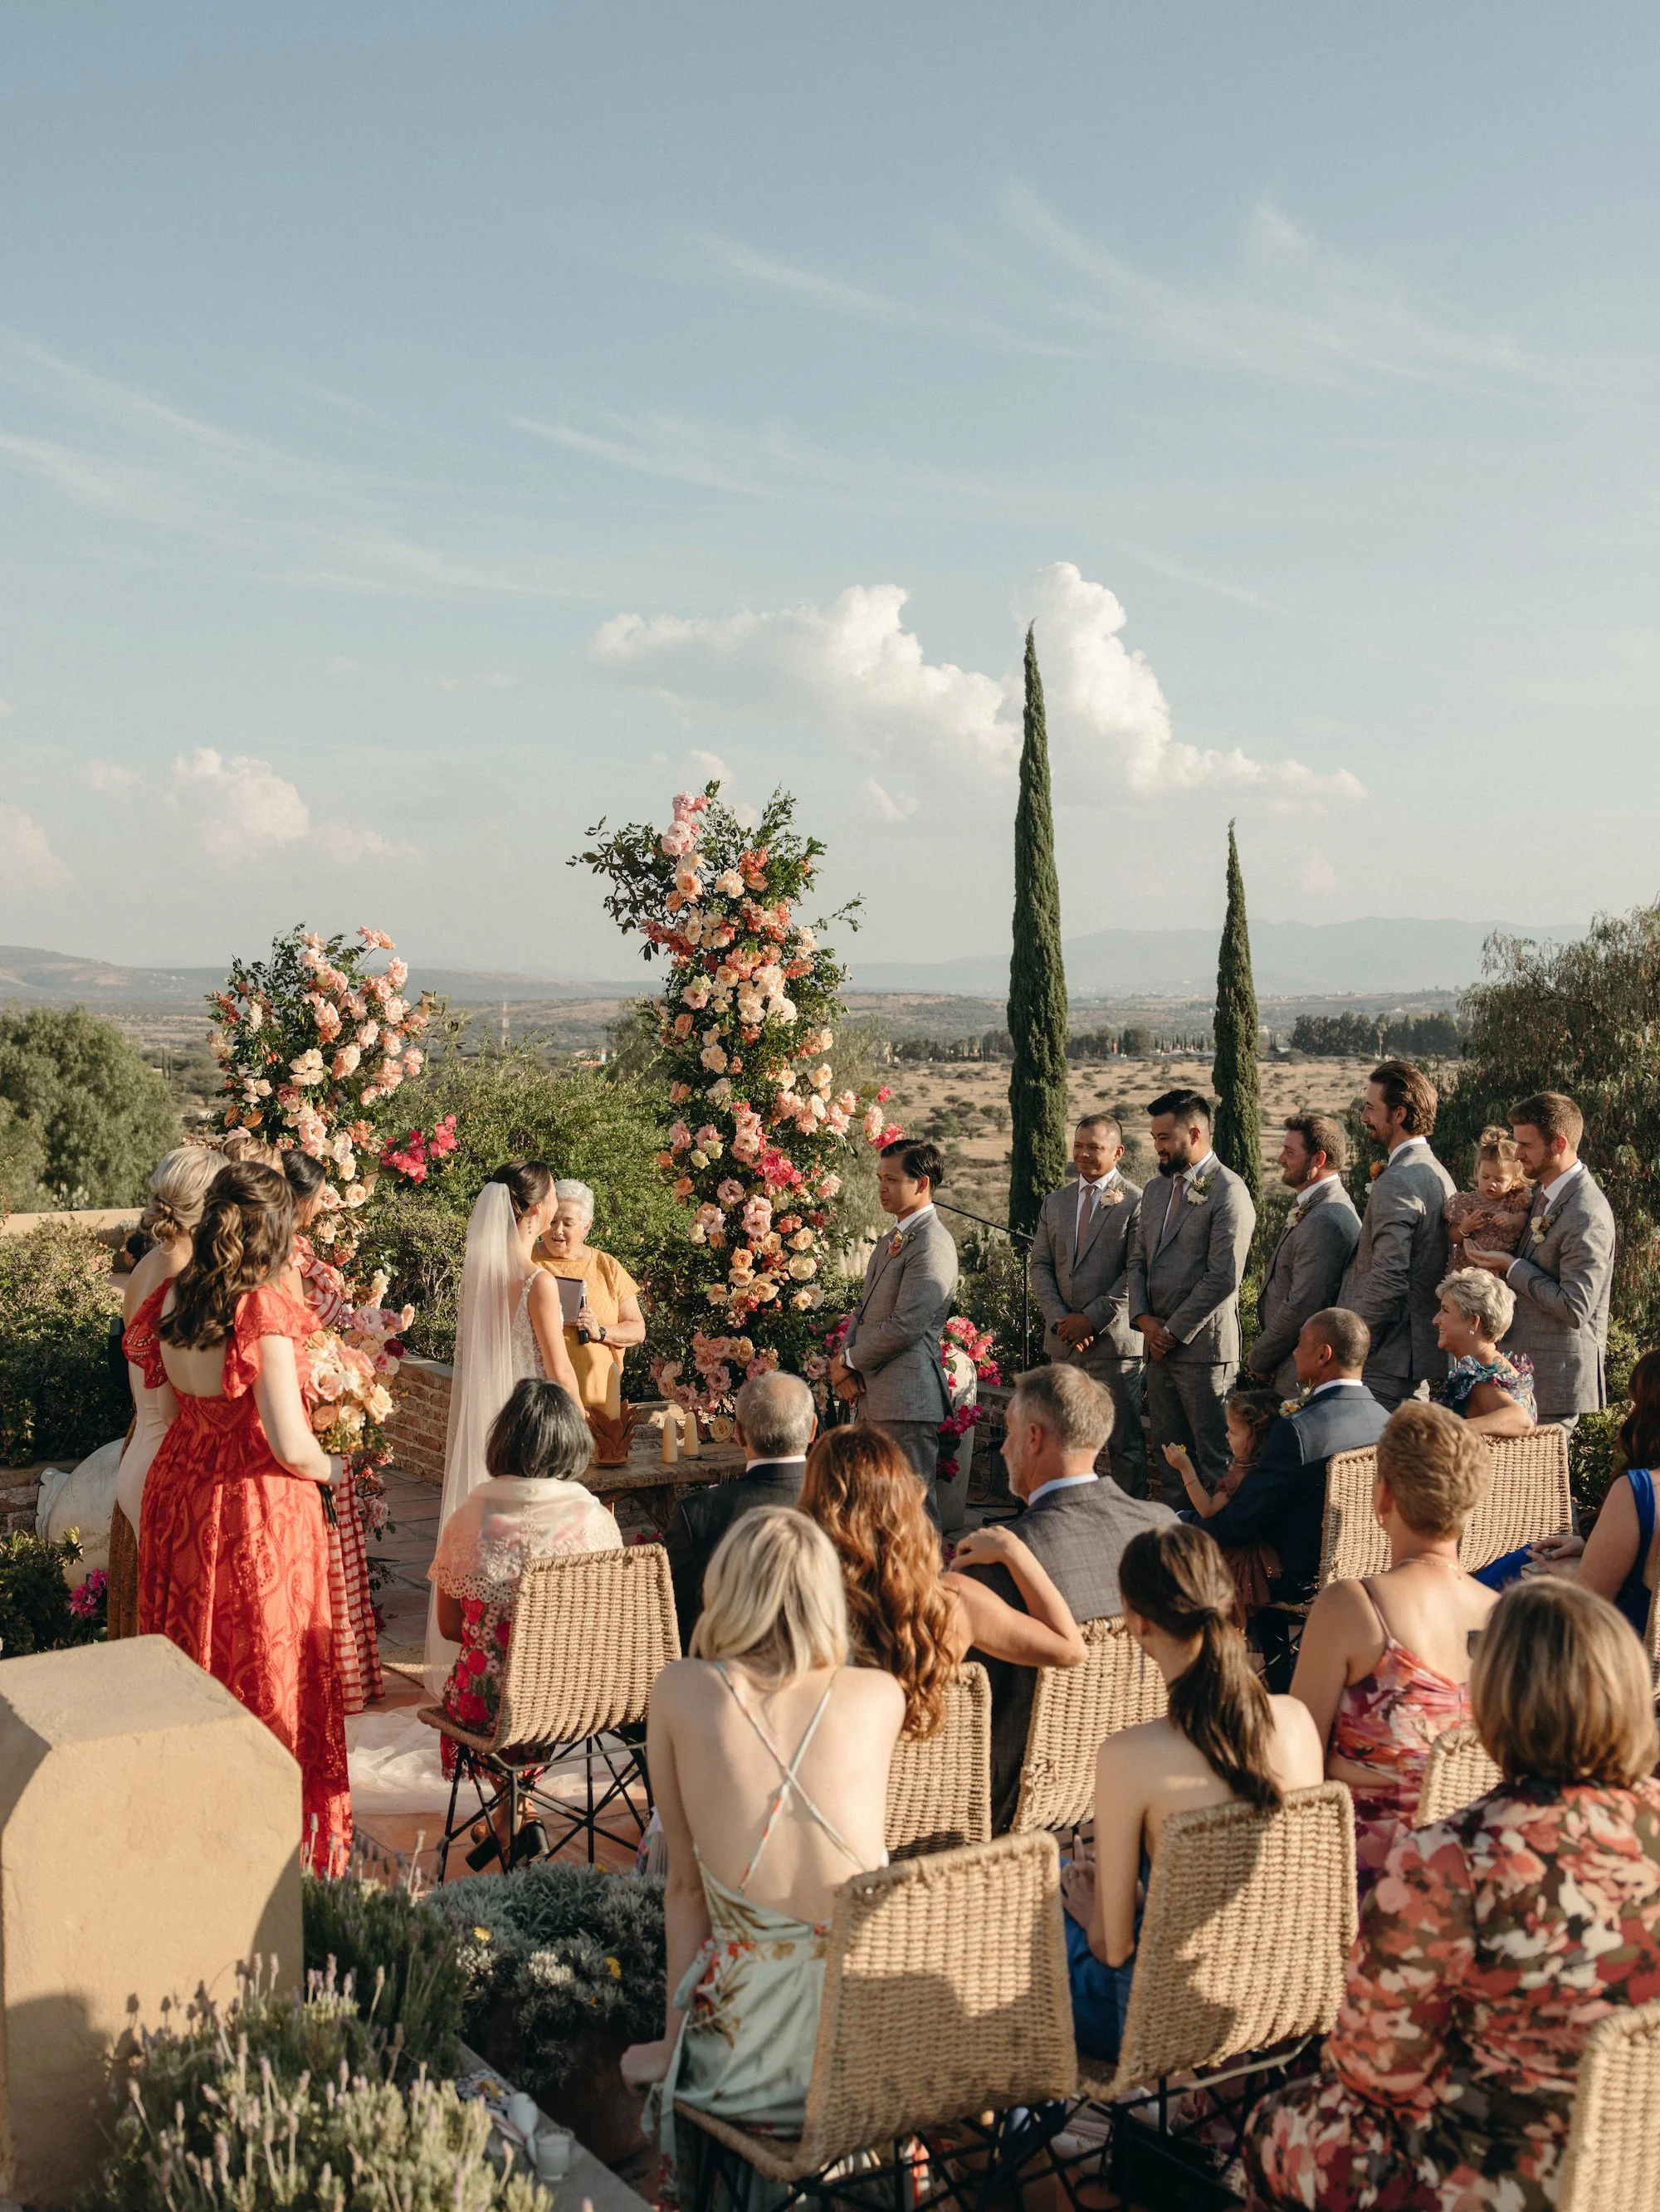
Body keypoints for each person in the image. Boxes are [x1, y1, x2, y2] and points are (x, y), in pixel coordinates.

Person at [1248, 1578, 1660, 2212]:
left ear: (1498, 1693)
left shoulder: (1452, 1857)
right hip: (1637, 2164)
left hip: (1500, 2178)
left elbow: (1374, 2070)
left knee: (1277, 2127)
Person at [620, 1509, 905, 2212]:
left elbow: (685, 1890)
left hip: (744, 2053)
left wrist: (672, 2045)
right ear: (826, 1595)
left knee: (633, 2067)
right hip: (863, 2050)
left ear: (727, 1589)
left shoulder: (681, 1689)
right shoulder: (880, 1694)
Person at [125, 1162, 349, 1871]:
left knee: (191, 1654)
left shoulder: (170, 1296)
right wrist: (335, 1466)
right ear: (274, 1229)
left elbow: (167, 1407)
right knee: (263, 1665)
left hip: (179, 1492)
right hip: (253, 1506)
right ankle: (264, 1841)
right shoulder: (259, 1308)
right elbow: (289, 1442)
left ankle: (190, 1828)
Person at [1058, 1524, 1324, 2063]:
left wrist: (1092, 1912)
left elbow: (1113, 1949)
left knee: (1032, 1908)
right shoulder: (1296, 1721)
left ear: (1137, 1621)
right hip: (1283, 1990)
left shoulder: (1129, 1755)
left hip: (1160, 2017)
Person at [1289, 1402, 1498, 1898]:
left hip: (1369, 1893)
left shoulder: (1353, 1607)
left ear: (1384, 1494)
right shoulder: (1506, 1618)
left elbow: (1297, 1764)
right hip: (1477, 1878)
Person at [953, 1365, 1174, 1830]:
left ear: (1034, 1438)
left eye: (1009, 1431)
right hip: (1142, 1768)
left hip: (1018, 1794)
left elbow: (962, 1699)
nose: (1005, 1448)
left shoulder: (996, 1560)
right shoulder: (1165, 1528)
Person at [430, 1378, 621, 1854]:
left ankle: (511, 1814)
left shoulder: (469, 1518)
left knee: (487, 1688)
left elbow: (450, 1628)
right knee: (535, 1697)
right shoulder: (596, 1519)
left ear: (505, 1439)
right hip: (579, 1697)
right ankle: (517, 1813)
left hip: (491, 1703)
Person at [798, 1424, 1086, 1737]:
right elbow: (1070, 1649)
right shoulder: (951, 1602)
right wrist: (1013, 1551)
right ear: (906, 1502)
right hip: (922, 1761)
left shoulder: (797, 1602)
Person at [426, 1161, 581, 1690]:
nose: (557, 1201)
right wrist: (581, 1422)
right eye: (553, 1193)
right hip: (534, 1425)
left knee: (489, 1534)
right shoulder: (539, 1280)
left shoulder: (484, 1274)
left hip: (492, 1418)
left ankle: (483, 1653)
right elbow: (559, 1370)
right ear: (536, 1208)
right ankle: (536, 1659)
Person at [1196, 1310, 1391, 1691]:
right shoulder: (1386, 1421)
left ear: (1323, 1355)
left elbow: (1239, 1524)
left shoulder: (1297, 1430)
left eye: (1300, 1344)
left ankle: (1210, 1681)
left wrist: (1185, 1519)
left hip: (1297, 1577)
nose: (1294, 1352)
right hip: (1364, 1569)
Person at [276, 1149, 383, 1713]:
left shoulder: (296, 1250)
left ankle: (344, 1670)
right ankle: (334, 1675)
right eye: (318, 1196)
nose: (323, 1206)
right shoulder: (285, 1257)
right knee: (326, 1537)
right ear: (298, 1199)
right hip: (308, 1398)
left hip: (323, 1385)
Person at [108, 1145, 225, 1640]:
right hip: (168, 1461)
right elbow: (179, 1402)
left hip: (137, 1450)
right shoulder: (188, 1279)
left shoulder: (146, 1266)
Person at [1127, 1089, 1257, 1506]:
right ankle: (1176, 1536)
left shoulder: (1229, 1191)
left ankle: (1217, 1544)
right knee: (1170, 1458)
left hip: (1205, 1353)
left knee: (1215, 1460)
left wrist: (1171, 1331)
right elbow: (1137, 1260)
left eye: (1165, 1138)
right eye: (1154, 1138)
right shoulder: (1154, 1190)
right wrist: (1144, 1320)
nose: (1158, 1147)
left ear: (1195, 1133)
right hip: (1157, 1350)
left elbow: (1223, 1277)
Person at [1462, 1091, 1617, 1431]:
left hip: (1553, 1383)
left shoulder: (1586, 1213)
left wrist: (1511, 1266)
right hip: (1525, 1380)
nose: (1517, 1154)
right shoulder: (1544, 1196)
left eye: (1526, 1145)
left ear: (1559, 1144)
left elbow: (1575, 1307)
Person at [830, 1138, 959, 1516]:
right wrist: (845, 1364)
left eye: (892, 1179)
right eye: (879, 1178)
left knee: (912, 1510)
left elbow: (907, 1324)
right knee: (873, 1509)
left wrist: (849, 1361)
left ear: (922, 1183)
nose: (882, 1187)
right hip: (874, 1393)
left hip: (906, 1400)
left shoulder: (932, 1242)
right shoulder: (892, 1238)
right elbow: (863, 1310)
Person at [1028, 1113, 1147, 1495]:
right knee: (1066, 1442)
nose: (1082, 1154)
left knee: (1124, 1445)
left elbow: (1136, 1271)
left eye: (1093, 1147)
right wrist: (1062, 1320)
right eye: (1078, 1145)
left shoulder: (1138, 1202)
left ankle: (1130, 1526)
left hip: (1115, 1347)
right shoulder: (1055, 1202)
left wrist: (1091, 1319)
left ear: (1118, 1152)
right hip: (1063, 1344)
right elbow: (1040, 1265)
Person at [1338, 1061, 1456, 1410]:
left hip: (1386, 1357)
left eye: (1371, 1108)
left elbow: (1388, 1278)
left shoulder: (1399, 1179)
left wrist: (1351, 1346)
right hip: (1409, 1356)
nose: (1364, 1117)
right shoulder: (1435, 1171)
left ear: (1399, 1114)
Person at [666, 1371, 817, 1643]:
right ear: (813, 1429)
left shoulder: (697, 1515)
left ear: (738, 1434)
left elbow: (678, 1625)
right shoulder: (846, 1506)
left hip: (723, 1662)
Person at [1519, 1346, 1660, 1633]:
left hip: (1620, 1649)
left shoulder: (1640, 1491)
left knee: (1520, 1570)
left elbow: (1589, 1607)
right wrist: (1597, 1545)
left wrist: (1566, 1571)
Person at [1247, 1116, 1360, 1398]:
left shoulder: (1326, 1219)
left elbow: (1304, 1303)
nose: (1280, 1158)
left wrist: (1261, 1357)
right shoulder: (1315, 1205)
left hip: (1301, 1368)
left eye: (1290, 1152)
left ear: (1318, 1159)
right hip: (1289, 1360)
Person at [1162, 1386, 1284, 1611]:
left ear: (1255, 1438)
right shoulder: (1269, 1468)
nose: (1227, 1435)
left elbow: (1207, 1509)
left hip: (1239, 1558)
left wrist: (1185, 1468)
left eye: (1233, 1432)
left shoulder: (1241, 1475)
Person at [533, 1177, 647, 1412]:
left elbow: (637, 1329)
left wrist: (600, 1331)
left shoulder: (607, 1266)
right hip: (540, 1397)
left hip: (598, 1400)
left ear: (586, 1226)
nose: (557, 1230)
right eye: (552, 1220)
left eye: (568, 1223)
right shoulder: (527, 1260)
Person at [1431, 1267, 1536, 1435]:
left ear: (1473, 1321)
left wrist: (1444, 1432)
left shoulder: (1481, 1379)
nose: (1436, 1320)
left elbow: (1521, 1421)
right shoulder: (1498, 1367)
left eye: (1445, 1310)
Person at [1443, 1126, 1533, 1272]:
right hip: (1468, 1267)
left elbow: (1524, 1221)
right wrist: (1464, 1229)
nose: (1491, 1183)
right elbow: (1452, 1237)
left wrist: (1513, 1219)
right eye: (1485, 1177)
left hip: (1499, 1268)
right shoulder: (1466, 1202)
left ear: (1515, 1181)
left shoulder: (1514, 1201)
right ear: (1477, 1171)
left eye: (1499, 1180)